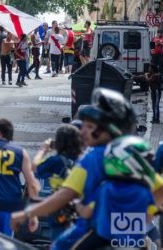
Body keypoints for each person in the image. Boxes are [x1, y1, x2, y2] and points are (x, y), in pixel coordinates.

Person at [10, 88, 146, 250]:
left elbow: (65, 195)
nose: (83, 132)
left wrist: (27, 214)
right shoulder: (131, 155)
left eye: (90, 127)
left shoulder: (93, 157)